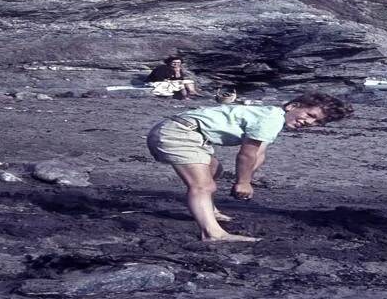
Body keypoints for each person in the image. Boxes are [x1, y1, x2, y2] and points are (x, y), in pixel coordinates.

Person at [146, 92, 353, 242]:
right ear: (293, 105)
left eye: (317, 123)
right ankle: (212, 233)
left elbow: (259, 153)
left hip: (191, 134)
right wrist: (242, 182)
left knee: (214, 170)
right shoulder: (271, 118)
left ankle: (209, 210)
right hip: (180, 133)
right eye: (310, 115)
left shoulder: (272, 118)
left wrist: (247, 180)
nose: (309, 122)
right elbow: (247, 153)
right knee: (202, 186)